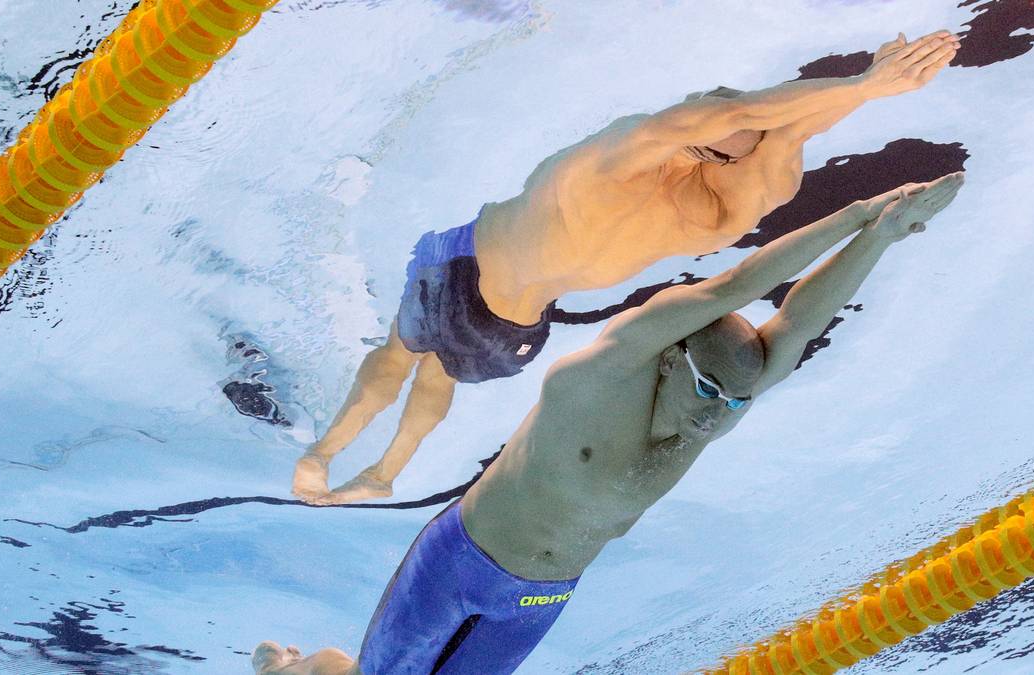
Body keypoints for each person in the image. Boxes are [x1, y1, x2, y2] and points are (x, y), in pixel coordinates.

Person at [253, 171, 968, 673]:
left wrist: (885, 236)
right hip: (462, 562)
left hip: (539, 597)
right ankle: (291, 670)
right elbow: (741, 284)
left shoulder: (704, 412)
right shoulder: (610, 363)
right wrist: (857, 211)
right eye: (714, 393)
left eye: (725, 401)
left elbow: (793, 329)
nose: (717, 412)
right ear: (673, 364)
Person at [292, 30, 962, 506]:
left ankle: (330, 457)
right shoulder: (718, 209)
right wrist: (867, 89)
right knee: (436, 372)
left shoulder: (629, 157)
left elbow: (752, 118)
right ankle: (379, 469)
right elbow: (776, 128)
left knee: (403, 359)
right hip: (518, 326)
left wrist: (867, 85)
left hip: (473, 269)